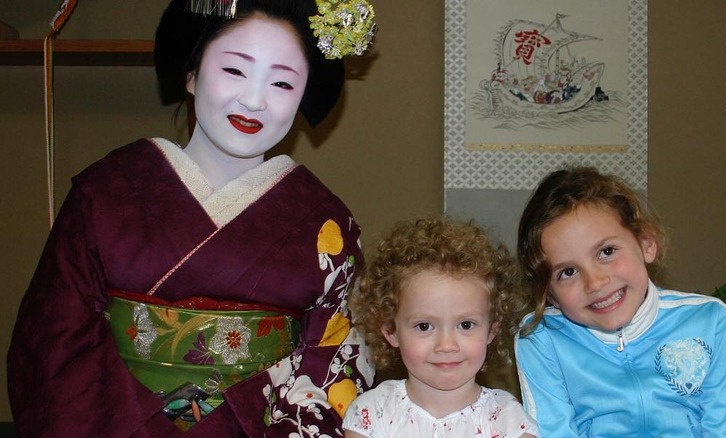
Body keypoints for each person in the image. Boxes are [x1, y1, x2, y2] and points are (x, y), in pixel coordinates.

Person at [7, 0, 376, 436]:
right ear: (192, 74)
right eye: (235, 71)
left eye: (281, 82)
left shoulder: (326, 223)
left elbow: (335, 359)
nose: (254, 100)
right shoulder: (106, 192)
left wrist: (210, 424)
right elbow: (51, 338)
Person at [514, 166, 726, 437]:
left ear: (646, 243)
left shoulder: (710, 320)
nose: (595, 282)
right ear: (549, 294)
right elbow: (555, 431)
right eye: (568, 272)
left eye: (606, 251)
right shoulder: (540, 337)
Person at [343, 218, 538, 438]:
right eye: (424, 326)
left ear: (492, 330)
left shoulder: (508, 420)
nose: (446, 345)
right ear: (390, 330)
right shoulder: (371, 415)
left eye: (466, 324)